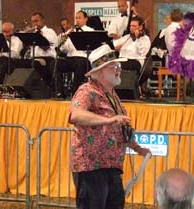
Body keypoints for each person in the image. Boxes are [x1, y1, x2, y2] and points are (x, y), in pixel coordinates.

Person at [69, 44, 151, 209]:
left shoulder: (113, 95)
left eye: (118, 66)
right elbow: (76, 115)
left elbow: (120, 130)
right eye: (114, 66)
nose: (118, 69)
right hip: (91, 166)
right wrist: (109, 120)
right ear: (99, 71)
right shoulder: (87, 90)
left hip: (111, 166)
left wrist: (138, 148)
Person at [58, 10, 94, 95]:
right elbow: (63, 50)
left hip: (83, 58)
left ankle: (75, 91)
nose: (77, 20)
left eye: (80, 18)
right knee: (55, 64)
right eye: (76, 18)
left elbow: (93, 47)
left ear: (86, 19)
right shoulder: (70, 31)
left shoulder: (90, 31)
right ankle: (60, 91)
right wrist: (63, 41)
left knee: (80, 64)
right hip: (70, 58)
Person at [114, 15, 151, 87]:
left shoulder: (145, 38)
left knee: (117, 65)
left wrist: (137, 38)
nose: (131, 28)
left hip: (135, 61)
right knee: (110, 64)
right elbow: (115, 44)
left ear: (140, 27)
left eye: (134, 26)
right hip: (122, 59)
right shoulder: (127, 37)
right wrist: (114, 47)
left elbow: (142, 52)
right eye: (130, 26)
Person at [29, 12, 58, 92]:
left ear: (43, 21)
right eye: (33, 21)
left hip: (48, 58)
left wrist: (37, 36)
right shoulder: (33, 33)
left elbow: (46, 47)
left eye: (36, 21)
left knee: (36, 64)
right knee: (23, 64)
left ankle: (45, 88)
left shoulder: (50, 32)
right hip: (34, 58)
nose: (35, 23)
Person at [0, 22, 23, 92]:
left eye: (7, 32)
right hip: (0, 61)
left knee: (3, 62)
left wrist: (3, 53)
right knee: (1, 61)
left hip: (12, 62)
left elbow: (15, 54)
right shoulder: (0, 40)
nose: (5, 34)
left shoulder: (17, 40)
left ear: (12, 31)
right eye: (3, 31)